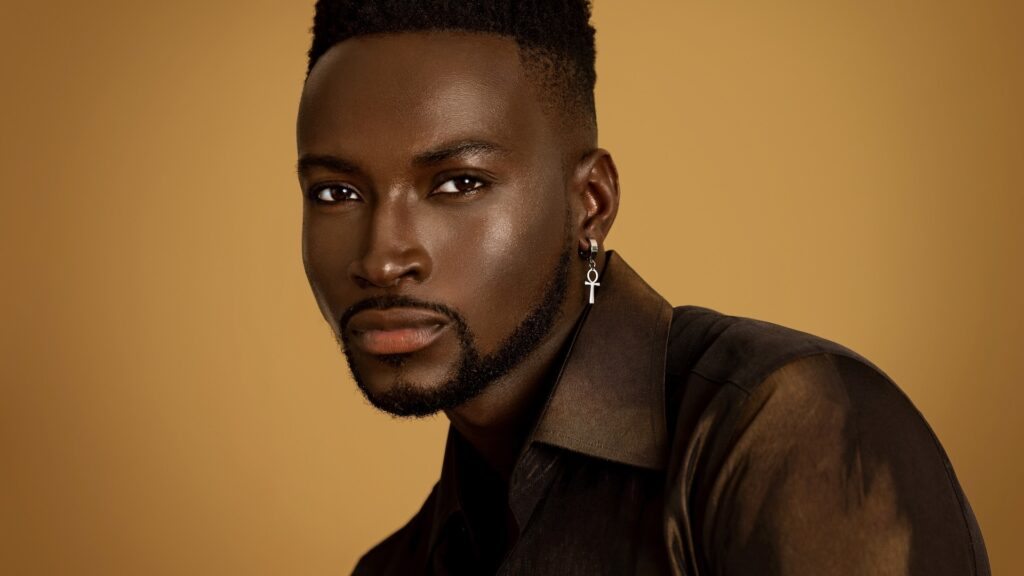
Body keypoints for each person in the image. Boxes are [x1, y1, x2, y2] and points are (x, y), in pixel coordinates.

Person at [295, 1, 989, 574]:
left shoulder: (780, 430)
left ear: (589, 203)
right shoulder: (398, 566)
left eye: (458, 183)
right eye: (335, 191)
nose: (383, 258)